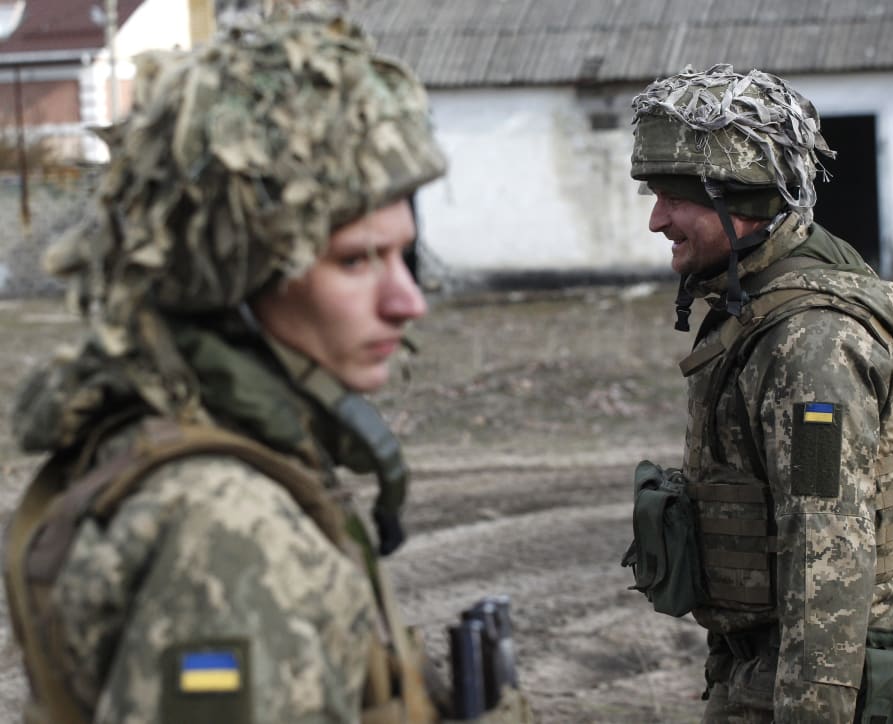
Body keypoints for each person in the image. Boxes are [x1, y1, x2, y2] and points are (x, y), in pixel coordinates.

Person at [3, 7, 528, 723]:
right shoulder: (224, 527)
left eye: (403, 255)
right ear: (234, 282)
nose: (409, 302)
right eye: (355, 260)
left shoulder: (198, 448)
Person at [626, 64, 893, 722]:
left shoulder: (808, 346)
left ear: (740, 196)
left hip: (814, 686)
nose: (656, 220)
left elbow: (829, 560)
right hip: (763, 670)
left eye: (674, 196)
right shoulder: (754, 301)